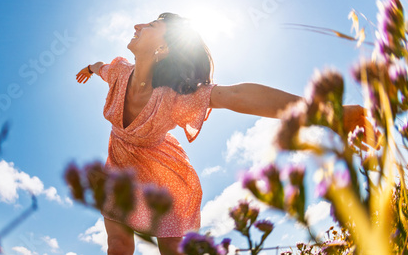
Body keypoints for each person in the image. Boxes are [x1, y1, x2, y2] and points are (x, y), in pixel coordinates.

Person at [76, 13, 374, 255]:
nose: (137, 25)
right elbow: (101, 66)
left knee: (171, 250)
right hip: (118, 169)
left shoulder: (174, 98)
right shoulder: (118, 71)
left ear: (163, 49)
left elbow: (236, 95)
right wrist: (90, 69)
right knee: (117, 246)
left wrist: (325, 113)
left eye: (151, 25)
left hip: (163, 174)